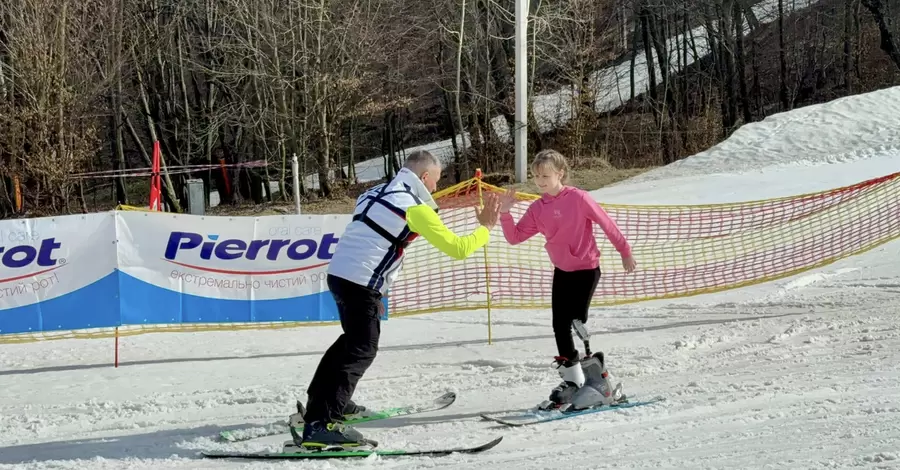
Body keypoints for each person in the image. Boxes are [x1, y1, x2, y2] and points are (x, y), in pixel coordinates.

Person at [294, 150, 500, 448]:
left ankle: (323, 405)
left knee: (351, 342)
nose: (435, 189)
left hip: (340, 275)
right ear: (425, 177)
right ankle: (321, 424)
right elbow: (458, 248)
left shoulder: (372, 192)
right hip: (360, 282)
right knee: (361, 348)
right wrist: (486, 227)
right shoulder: (415, 208)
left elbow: (374, 237)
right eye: (436, 182)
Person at [498, 149, 636, 409]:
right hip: (562, 271)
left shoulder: (579, 199)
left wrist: (625, 251)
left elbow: (607, 224)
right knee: (559, 325)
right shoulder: (538, 208)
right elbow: (515, 237)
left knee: (576, 320)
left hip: (586, 269)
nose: (540, 181)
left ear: (560, 173)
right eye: (536, 176)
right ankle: (573, 381)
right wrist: (505, 213)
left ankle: (599, 380)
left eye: (545, 175)